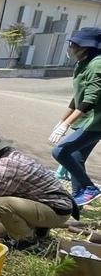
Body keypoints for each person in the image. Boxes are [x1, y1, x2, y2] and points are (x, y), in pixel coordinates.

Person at [49, 27, 101, 207]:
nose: (70, 47)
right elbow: (78, 96)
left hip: (96, 122)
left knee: (60, 151)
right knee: (77, 157)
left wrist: (66, 125)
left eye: (74, 44)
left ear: (85, 47)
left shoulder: (97, 64)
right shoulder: (82, 63)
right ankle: (79, 196)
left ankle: (90, 188)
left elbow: (90, 100)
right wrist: (62, 121)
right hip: (86, 119)